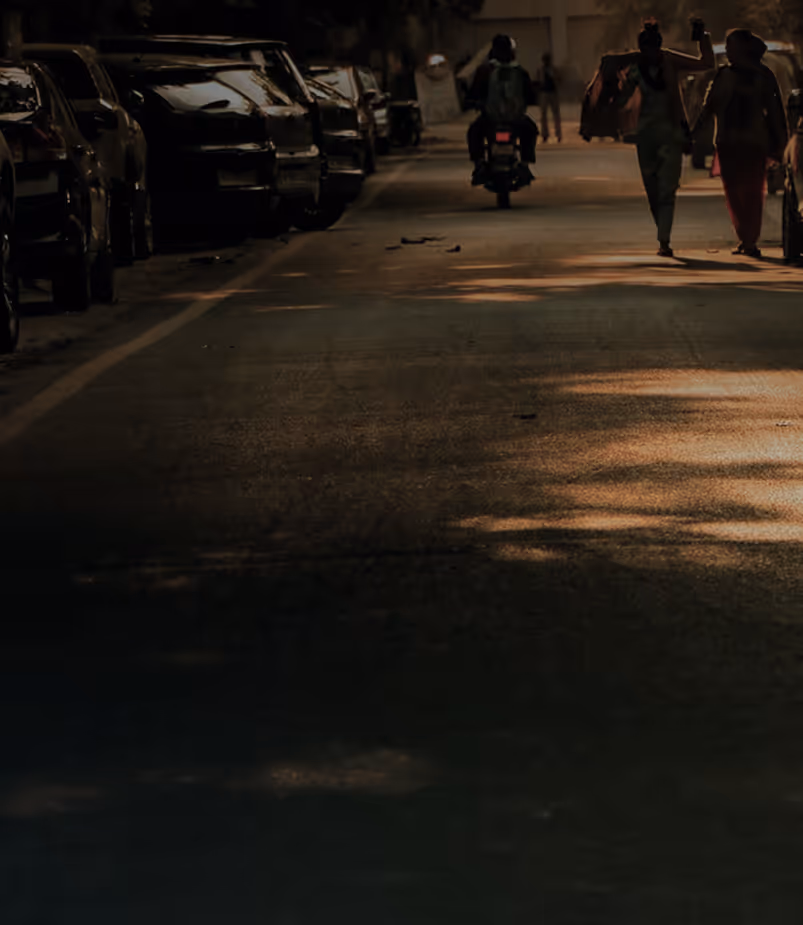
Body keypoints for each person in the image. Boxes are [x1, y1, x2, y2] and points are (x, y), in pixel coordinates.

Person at [606, 18, 715, 257]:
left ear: (659, 47)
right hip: (646, 138)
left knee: (667, 190)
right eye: (647, 50)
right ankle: (663, 234)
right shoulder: (635, 69)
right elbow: (621, 101)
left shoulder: (670, 62)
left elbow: (706, 63)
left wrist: (702, 37)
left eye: (654, 49)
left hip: (671, 135)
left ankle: (664, 240)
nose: (652, 54)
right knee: (653, 190)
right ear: (642, 49)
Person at [692, 29, 788, 258]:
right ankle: (746, 239)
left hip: (750, 143)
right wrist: (693, 134)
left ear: (744, 48)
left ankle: (749, 240)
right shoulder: (727, 75)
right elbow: (709, 108)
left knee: (749, 193)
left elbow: (775, 112)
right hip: (732, 143)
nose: (727, 50)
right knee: (740, 193)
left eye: (730, 46)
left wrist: (782, 143)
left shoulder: (762, 77)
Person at [467, 34, 538, 185]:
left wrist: (473, 102)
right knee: (531, 130)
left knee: (474, 131)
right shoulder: (519, 71)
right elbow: (531, 94)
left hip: (490, 119)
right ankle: (525, 165)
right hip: (516, 120)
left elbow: (473, 93)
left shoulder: (484, 70)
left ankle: (479, 164)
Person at [538, 52, 562, 142]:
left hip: (552, 92)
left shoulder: (554, 70)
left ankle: (558, 134)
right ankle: (545, 134)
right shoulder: (541, 70)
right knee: (544, 115)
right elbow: (538, 81)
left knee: (555, 114)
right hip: (545, 92)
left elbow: (559, 79)